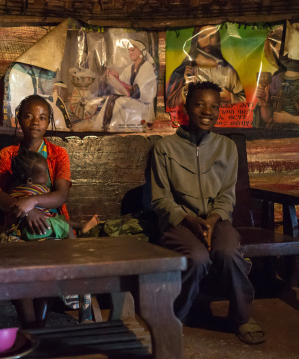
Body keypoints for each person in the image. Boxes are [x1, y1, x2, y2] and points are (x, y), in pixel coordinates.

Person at [151, 81, 266, 345]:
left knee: (227, 251)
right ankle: (178, 314)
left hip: (217, 220)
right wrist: (189, 220)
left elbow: (227, 195)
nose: (207, 111)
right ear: (187, 108)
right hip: (180, 222)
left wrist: (213, 219)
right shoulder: (165, 148)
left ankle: (241, 317)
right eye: (200, 104)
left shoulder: (227, 147)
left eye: (214, 106)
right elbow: (161, 199)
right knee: (197, 257)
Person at [0, 94, 91, 325]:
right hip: (17, 223)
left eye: (42, 117)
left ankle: (49, 314)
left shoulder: (58, 154)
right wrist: (25, 210)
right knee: (15, 259)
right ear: (19, 119)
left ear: (48, 122)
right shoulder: (7, 155)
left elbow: (61, 195)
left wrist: (34, 203)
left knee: (55, 254)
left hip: (50, 223)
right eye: (28, 116)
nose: (35, 121)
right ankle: (29, 320)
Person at [8, 147, 99, 241]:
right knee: (65, 227)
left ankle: (81, 226)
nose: (47, 175)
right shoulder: (38, 189)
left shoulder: (14, 190)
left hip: (24, 228)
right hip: (36, 227)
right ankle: (73, 246)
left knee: (58, 219)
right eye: (44, 173)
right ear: (30, 180)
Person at [166, 26, 246, 111]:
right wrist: (186, 87)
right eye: (203, 36)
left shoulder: (228, 70)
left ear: (218, 40)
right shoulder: (184, 71)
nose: (208, 42)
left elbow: (243, 101)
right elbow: (171, 104)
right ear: (196, 39)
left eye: (212, 36)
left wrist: (230, 97)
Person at [93, 39, 157, 131]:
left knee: (118, 102)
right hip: (133, 100)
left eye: (133, 50)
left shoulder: (147, 66)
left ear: (141, 51)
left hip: (143, 104)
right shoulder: (129, 69)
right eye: (129, 50)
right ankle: (103, 127)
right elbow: (120, 88)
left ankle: (108, 128)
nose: (130, 53)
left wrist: (119, 82)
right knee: (111, 98)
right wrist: (116, 78)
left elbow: (140, 92)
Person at [255, 23, 299, 128]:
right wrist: (264, 105)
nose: (288, 56)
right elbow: (268, 119)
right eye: (281, 52)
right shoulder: (274, 80)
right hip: (276, 136)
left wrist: (292, 119)